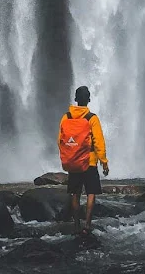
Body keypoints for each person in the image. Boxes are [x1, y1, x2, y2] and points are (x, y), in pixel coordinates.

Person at [58, 86, 109, 236]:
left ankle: (76, 225)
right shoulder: (92, 118)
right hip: (89, 162)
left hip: (74, 162)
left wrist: (68, 155)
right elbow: (99, 142)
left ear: (75, 99)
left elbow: (59, 140)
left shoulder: (66, 117)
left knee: (75, 193)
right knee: (91, 192)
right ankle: (87, 225)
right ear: (88, 100)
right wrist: (104, 161)